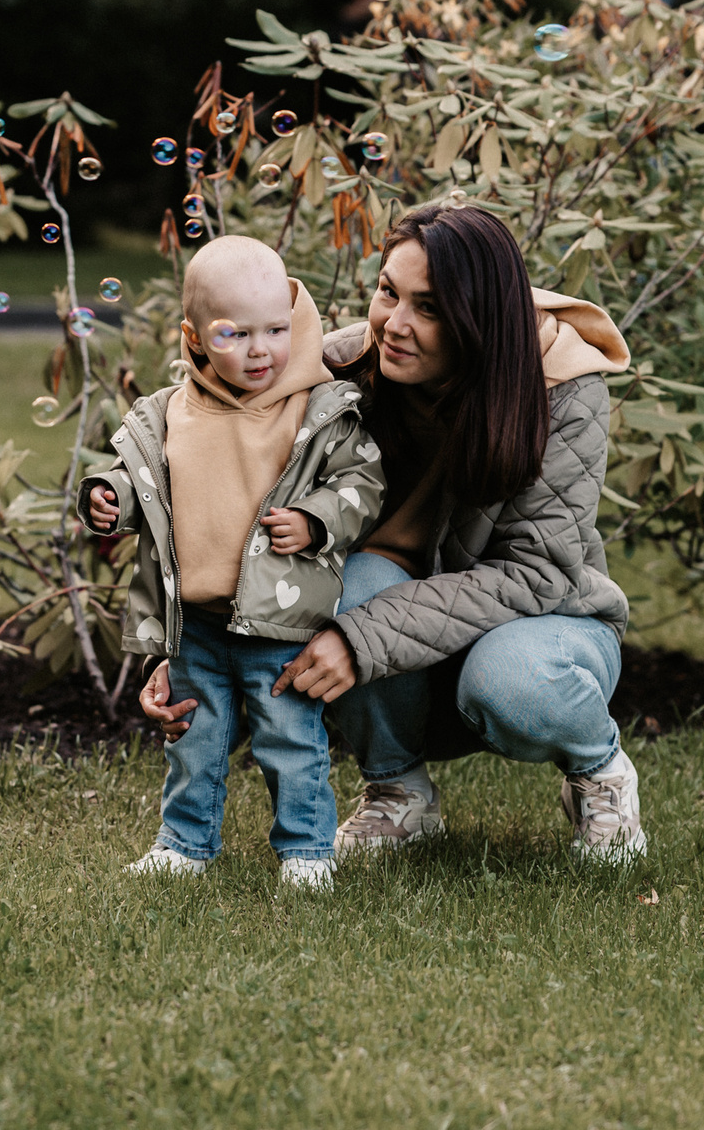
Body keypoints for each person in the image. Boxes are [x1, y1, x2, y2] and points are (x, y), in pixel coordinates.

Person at [138, 203, 647, 863]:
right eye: (388, 292)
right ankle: (398, 791)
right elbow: (234, 509)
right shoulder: (339, 371)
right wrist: (180, 647)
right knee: (338, 583)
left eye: (429, 307)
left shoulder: (561, 387)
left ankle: (600, 770)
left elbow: (537, 573)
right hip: (403, 636)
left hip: (544, 627)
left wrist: (362, 638)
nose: (395, 324)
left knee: (511, 679)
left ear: (478, 319)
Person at [83, 237, 387, 889]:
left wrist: (315, 521)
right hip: (196, 618)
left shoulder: (313, 406)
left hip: (280, 616)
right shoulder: (168, 413)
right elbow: (143, 483)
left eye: (276, 329)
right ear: (194, 336)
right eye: (236, 333)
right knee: (195, 735)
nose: (260, 349)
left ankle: (306, 851)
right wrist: (110, 498)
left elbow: (361, 486)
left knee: (290, 737)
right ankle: (185, 843)